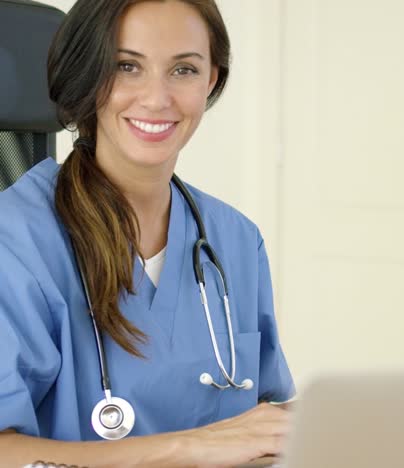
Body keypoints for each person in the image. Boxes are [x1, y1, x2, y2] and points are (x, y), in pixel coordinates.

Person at [0, 0, 295, 466]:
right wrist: (187, 449)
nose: (157, 98)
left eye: (183, 70)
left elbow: (258, 420)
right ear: (87, 74)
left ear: (211, 80)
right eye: (126, 66)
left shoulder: (235, 240)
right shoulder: (15, 242)